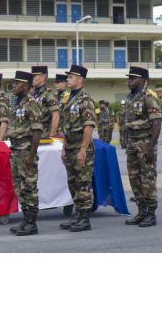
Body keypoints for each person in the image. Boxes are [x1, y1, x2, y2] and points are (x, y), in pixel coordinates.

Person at [58, 64, 97, 232]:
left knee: (83, 183)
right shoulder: (69, 99)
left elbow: (88, 127)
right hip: (70, 147)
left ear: (80, 79)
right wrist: (64, 148)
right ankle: (77, 214)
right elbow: (66, 126)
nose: (67, 79)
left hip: (81, 148)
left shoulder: (85, 100)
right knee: (72, 183)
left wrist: (83, 150)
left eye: (71, 77)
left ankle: (84, 218)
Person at [123, 66, 162, 228]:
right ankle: (141, 210)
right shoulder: (131, 97)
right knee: (134, 178)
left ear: (144, 81)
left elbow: (157, 123)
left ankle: (151, 213)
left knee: (147, 179)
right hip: (132, 143)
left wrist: (150, 148)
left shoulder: (148, 97)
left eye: (133, 78)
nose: (129, 81)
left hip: (145, 143)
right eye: (129, 78)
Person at [7, 71, 43, 236]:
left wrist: (31, 154)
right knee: (19, 187)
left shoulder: (31, 103)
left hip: (26, 151)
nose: (14, 85)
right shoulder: (17, 103)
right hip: (15, 151)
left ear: (27, 86)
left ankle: (32, 223)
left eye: (18, 83)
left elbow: (37, 131)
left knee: (29, 187)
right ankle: (25, 220)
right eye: (14, 82)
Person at [30, 66, 59, 139]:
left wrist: (52, 135)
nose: (32, 78)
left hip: (44, 135)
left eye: (34, 76)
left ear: (43, 77)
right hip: (32, 134)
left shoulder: (48, 93)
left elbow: (55, 115)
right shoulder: (32, 93)